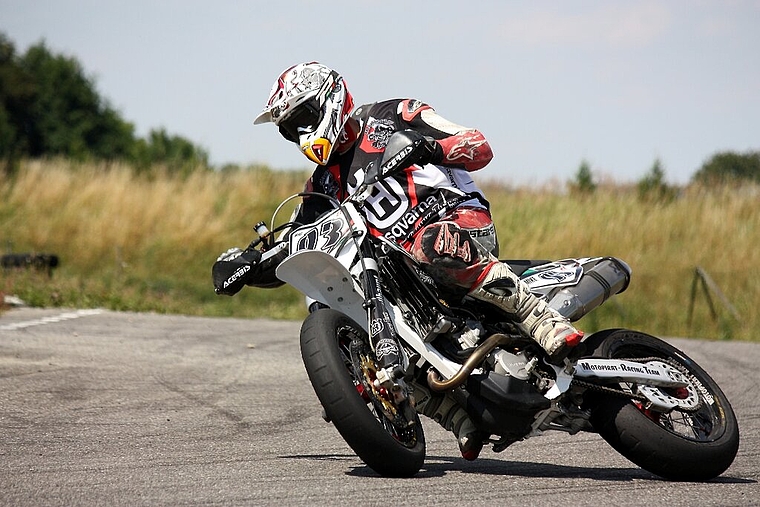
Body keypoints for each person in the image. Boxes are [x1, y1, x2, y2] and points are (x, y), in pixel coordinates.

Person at [216, 61, 583, 460]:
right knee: (334, 302)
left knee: (428, 243)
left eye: (304, 117)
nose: (301, 133)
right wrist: (247, 266)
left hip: (457, 224)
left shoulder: (393, 116)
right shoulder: (320, 186)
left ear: (330, 99)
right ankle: (452, 413)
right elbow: (293, 248)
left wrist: (430, 147)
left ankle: (540, 318)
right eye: (291, 129)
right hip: (397, 276)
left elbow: (478, 145)